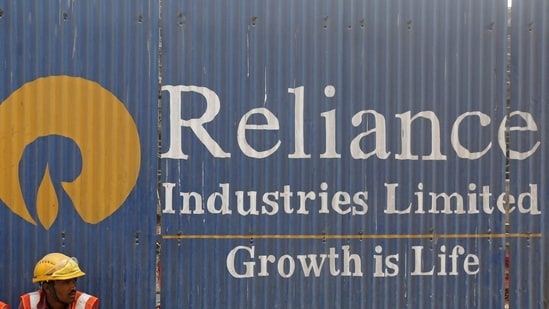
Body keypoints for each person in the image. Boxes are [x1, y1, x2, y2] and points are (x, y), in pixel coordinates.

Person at [18, 253, 98, 309]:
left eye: (74, 281)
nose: (73, 288)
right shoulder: (29, 304)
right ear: (47, 287)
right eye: (66, 282)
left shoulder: (86, 305)